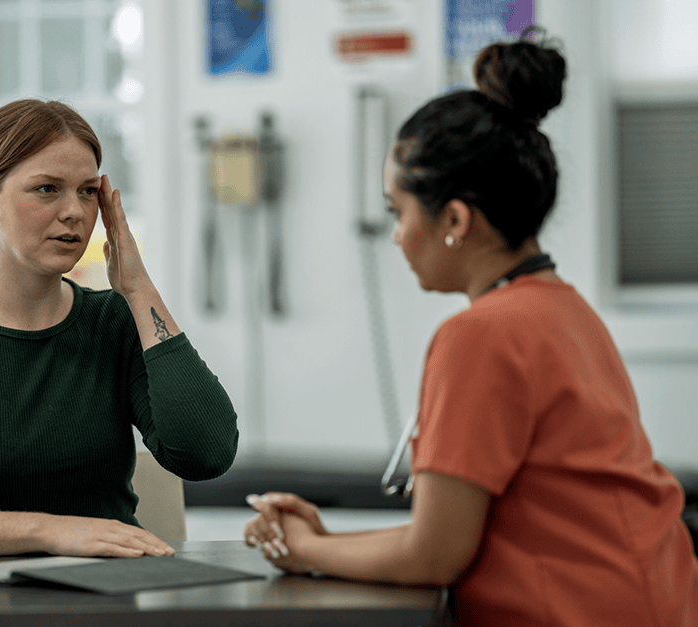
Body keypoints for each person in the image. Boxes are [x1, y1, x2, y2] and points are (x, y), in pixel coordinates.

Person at [242, 31, 698, 626]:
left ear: (455, 219)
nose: (398, 236)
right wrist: (332, 542)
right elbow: (454, 531)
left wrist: (302, 552)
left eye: (398, 211)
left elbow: (435, 555)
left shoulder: (479, 336)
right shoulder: (565, 310)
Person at [0, 99, 239, 558]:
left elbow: (206, 454)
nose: (74, 212)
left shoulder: (113, 320)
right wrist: (51, 532)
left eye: (88, 192)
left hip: (109, 596)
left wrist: (138, 288)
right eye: (48, 189)